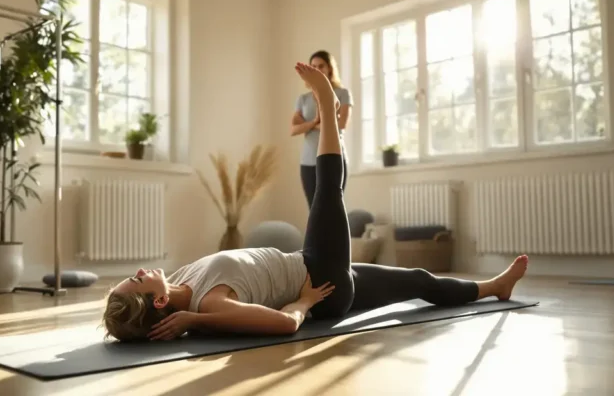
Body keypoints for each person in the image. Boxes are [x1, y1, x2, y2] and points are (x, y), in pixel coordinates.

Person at [102, 62, 529, 342]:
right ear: (159, 302)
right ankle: (328, 100)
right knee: (328, 190)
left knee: (418, 278)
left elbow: (138, 317)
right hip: (318, 275)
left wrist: (150, 320)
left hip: (322, 277)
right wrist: (304, 302)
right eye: (138, 280)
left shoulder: (179, 278)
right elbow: (285, 323)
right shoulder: (208, 305)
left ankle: (495, 287)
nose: (139, 271)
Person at [291, 50, 353, 209]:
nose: (317, 70)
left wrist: (311, 125)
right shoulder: (303, 99)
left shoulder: (342, 93)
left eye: (321, 66)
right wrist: (316, 121)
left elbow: (342, 124)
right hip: (308, 162)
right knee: (314, 210)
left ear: (330, 68)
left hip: (334, 158)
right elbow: (294, 129)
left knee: (333, 208)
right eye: (313, 67)